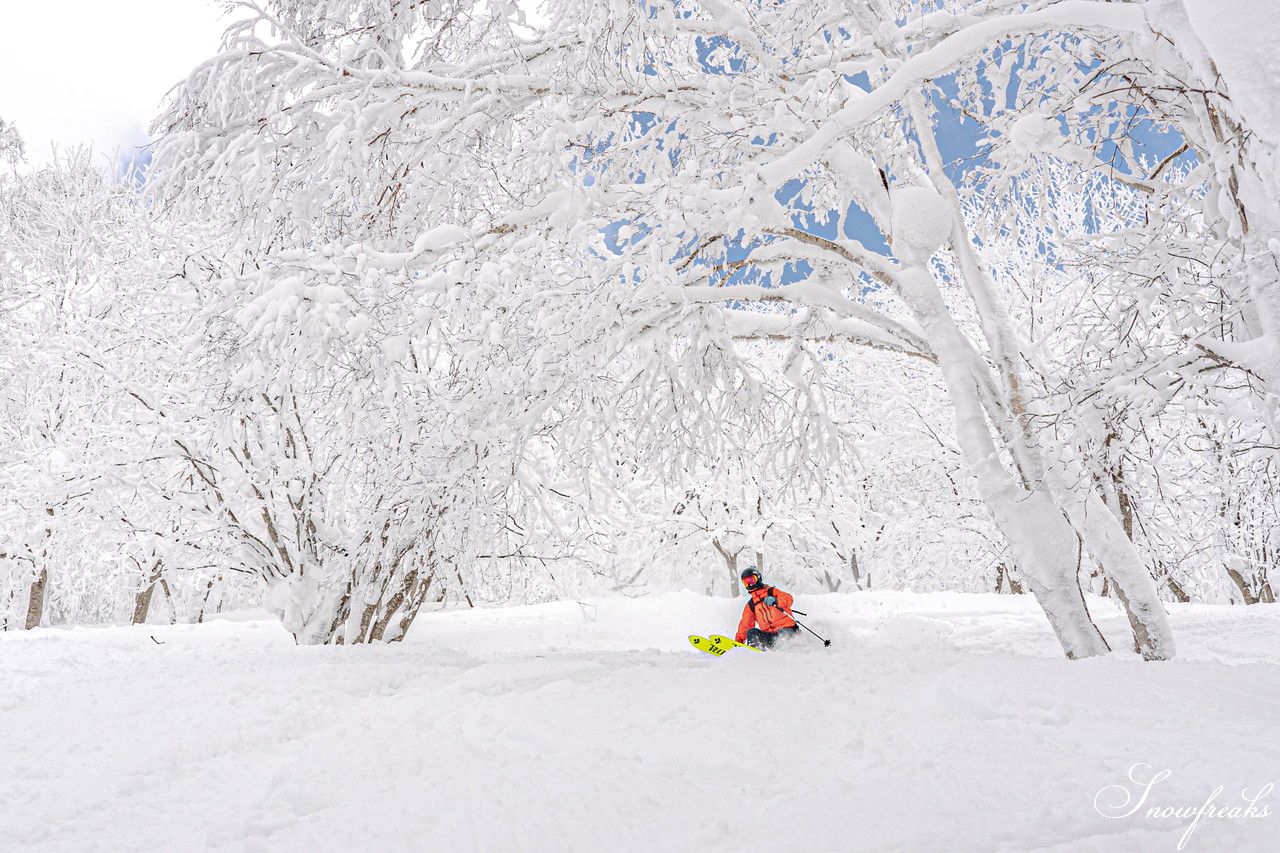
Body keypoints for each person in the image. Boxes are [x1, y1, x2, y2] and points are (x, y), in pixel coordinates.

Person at [734, 567, 800, 649]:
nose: (750, 584)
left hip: (788, 630)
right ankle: (755, 654)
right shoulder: (751, 605)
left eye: (752, 580)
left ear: (758, 578)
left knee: (782, 635)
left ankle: (787, 653)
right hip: (771, 636)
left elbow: (788, 598)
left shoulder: (772, 592)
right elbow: (745, 624)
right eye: (746, 582)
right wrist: (739, 640)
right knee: (752, 632)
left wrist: (776, 600)